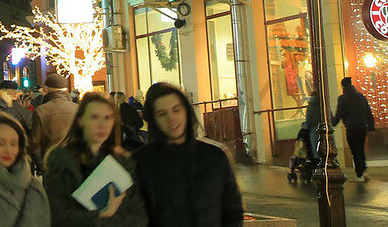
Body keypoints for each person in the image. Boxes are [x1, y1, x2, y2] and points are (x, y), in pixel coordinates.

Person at [133, 82, 243, 226]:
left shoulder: (215, 157)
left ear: (186, 111)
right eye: (162, 114)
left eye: (176, 110)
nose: (171, 118)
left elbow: (233, 211)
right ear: (153, 120)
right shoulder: (141, 163)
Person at [44, 92, 147, 226]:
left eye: (107, 118)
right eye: (94, 117)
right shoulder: (60, 160)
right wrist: (100, 216)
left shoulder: (123, 162)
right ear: (81, 120)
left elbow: (138, 216)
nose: (101, 125)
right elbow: (56, 215)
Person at [332, 77, 375, 181]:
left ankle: (359, 174)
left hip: (351, 127)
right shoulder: (361, 97)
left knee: (355, 150)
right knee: (360, 148)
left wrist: (332, 120)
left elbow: (339, 114)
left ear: (343, 86)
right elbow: (368, 112)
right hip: (362, 126)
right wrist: (371, 126)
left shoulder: (342, 99)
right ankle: (363, 170)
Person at [29, 73, 76, 167]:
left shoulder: (41, 111)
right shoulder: (78, 109)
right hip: (75, 161)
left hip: (51, 163)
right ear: (66, 90)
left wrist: (41, 165)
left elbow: (34, 143)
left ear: (46, 90)